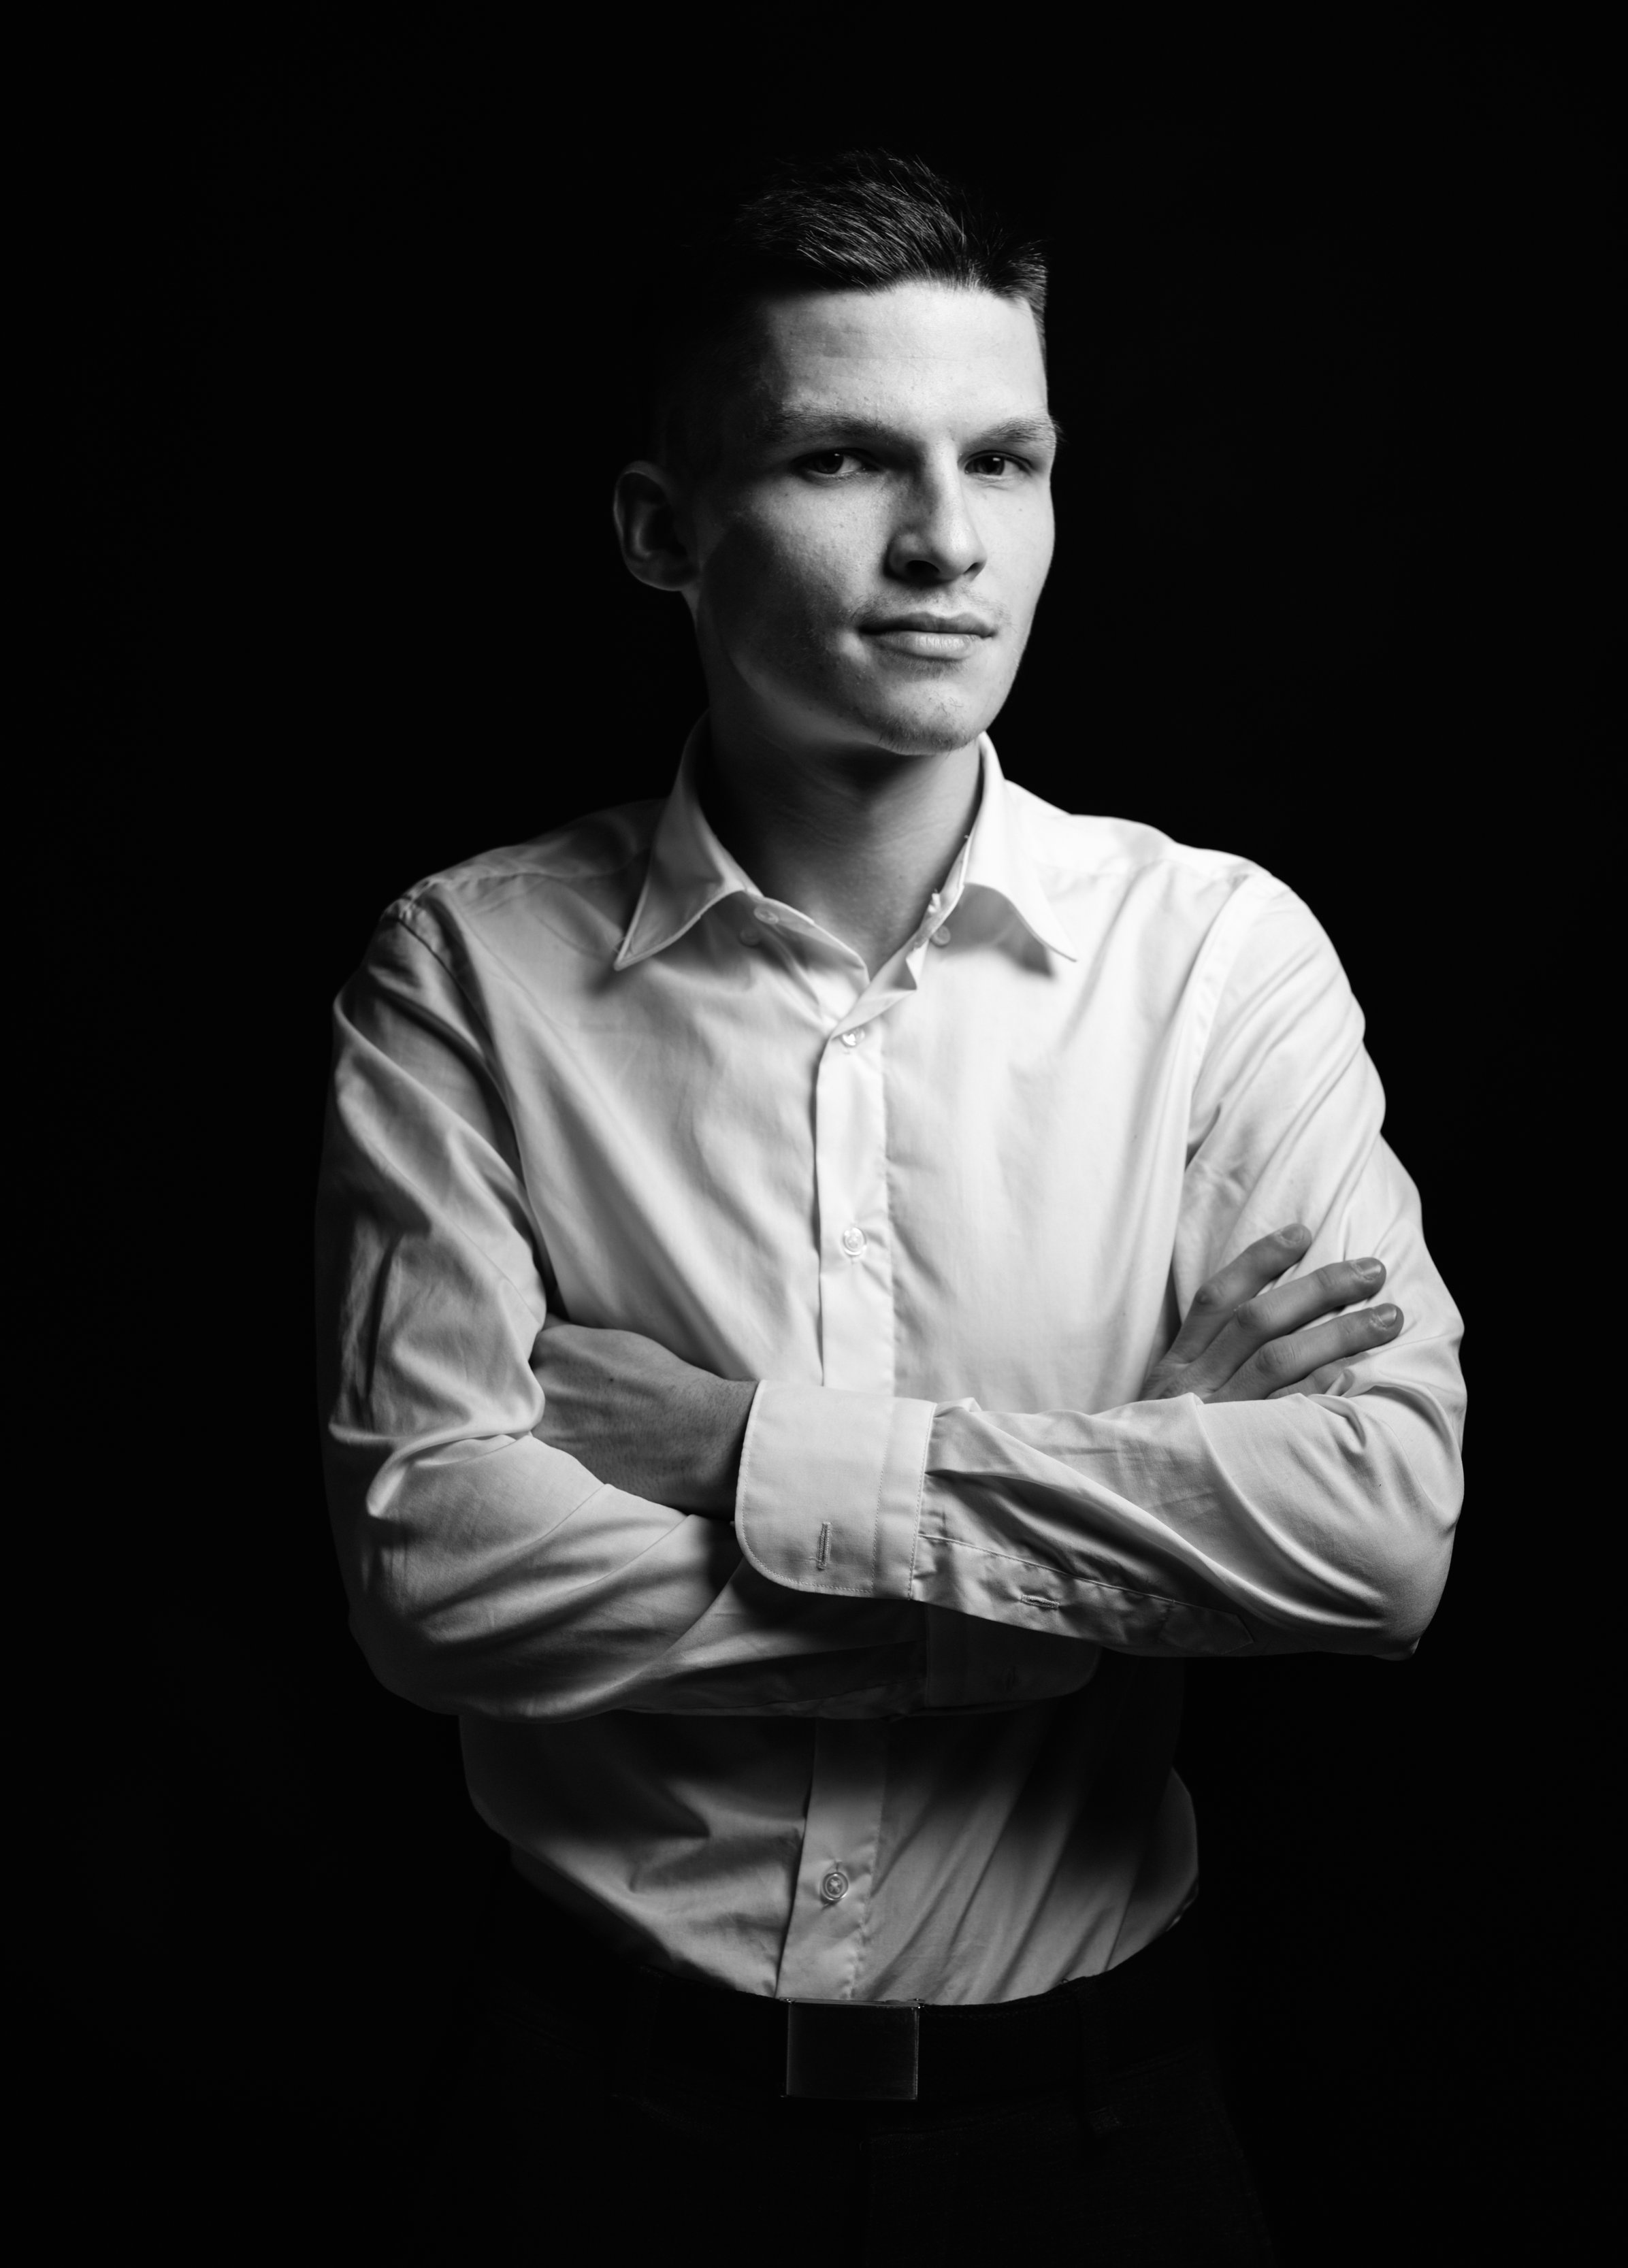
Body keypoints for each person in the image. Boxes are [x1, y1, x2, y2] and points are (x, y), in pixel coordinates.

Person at [315, 148, 1465, 2262]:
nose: (947, 545)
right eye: (846, 458)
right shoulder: (465, 970)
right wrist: (1104, 1526)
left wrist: (751, 1461)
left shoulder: (1216, 960)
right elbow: (435, 1581)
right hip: (590, 2138)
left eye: (1003, 461)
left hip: (1104, 2147)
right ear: (665, 531)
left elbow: (1374, 1535)